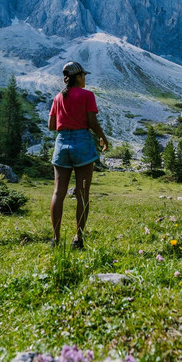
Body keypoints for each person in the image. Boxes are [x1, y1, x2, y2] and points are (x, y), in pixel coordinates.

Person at [48, 61, 108, 249]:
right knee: (82, 193)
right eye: (84, 76)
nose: (85, 79)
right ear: (79, 76)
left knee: (59, 192)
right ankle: (77, 239)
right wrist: (103, 137)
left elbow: (51, 126)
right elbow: (92, 121)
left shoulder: (58, 97)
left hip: (62, 144)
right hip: (82, 144)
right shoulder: (87, 95)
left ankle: (56, 239)